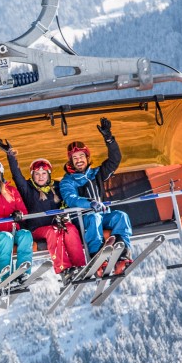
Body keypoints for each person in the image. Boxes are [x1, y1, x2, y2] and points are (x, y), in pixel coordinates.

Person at [0, 141, 86, 285]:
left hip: (56, 226)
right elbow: (17, 175)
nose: (41, 177)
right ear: (32, 175)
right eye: (37, 174)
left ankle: (79, 265)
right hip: (36, 229)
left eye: (44, 173)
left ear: (49, 174)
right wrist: (11, 155)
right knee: (53, 231)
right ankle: (64, 269)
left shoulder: (56, 187)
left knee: (70, 229)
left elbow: (68, 196)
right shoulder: (27, 188)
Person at [58, 117, 134, 276]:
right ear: (71, 161)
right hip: (82, 219)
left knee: (121, 216)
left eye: (81, 157)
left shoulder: (96, 174)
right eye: (75, 158)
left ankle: (122, 256)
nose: (79, 160)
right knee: (95, 218)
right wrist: (90, 203)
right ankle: (96, 257)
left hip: (102, 214)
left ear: (87, 157)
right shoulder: (68, 180)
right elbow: (71, 198)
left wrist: (109, 138)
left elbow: (115, 160)